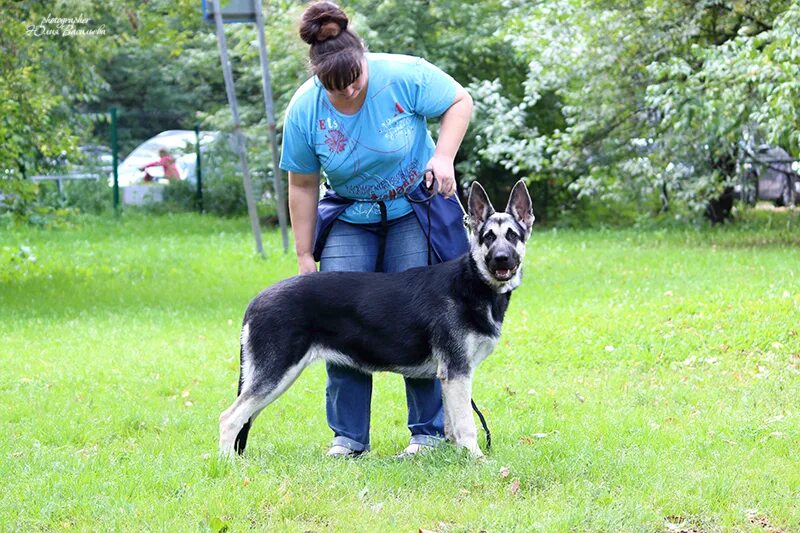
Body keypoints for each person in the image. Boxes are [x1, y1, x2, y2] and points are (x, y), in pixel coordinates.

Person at [280, 1, 473, 458]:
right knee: (340, 324)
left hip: (411, 211)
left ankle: (427, 434)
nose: (347, 92)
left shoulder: (403, 75)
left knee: (422, 319)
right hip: (349, 216)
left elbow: (458, 100)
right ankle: (348, 438)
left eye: (354, 81)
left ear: (363, 59)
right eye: (335, 88)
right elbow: (302, 184)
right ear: (318, 80)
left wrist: (442, 156)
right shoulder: (304, 109)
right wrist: (306, 255)